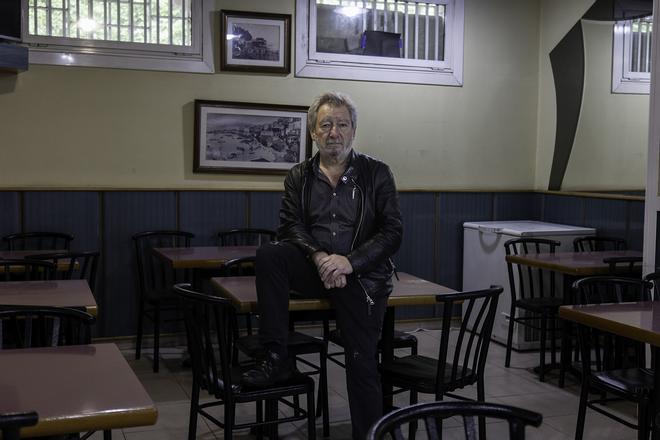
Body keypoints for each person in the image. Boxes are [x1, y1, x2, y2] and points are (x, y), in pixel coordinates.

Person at [241, 91, 403, 439]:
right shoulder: (299, 176)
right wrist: (319, 256)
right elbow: (289, 226)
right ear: (313, 132)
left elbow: (392, 233)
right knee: (270, 254)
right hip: (316, 268)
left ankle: (369, 434)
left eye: (342, 124)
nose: (334, 132)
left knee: (361, 363)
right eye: (326, 124)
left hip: (360, 278)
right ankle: (276, 357)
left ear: (353, 130)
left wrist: (349, 262)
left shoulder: (377, 173)